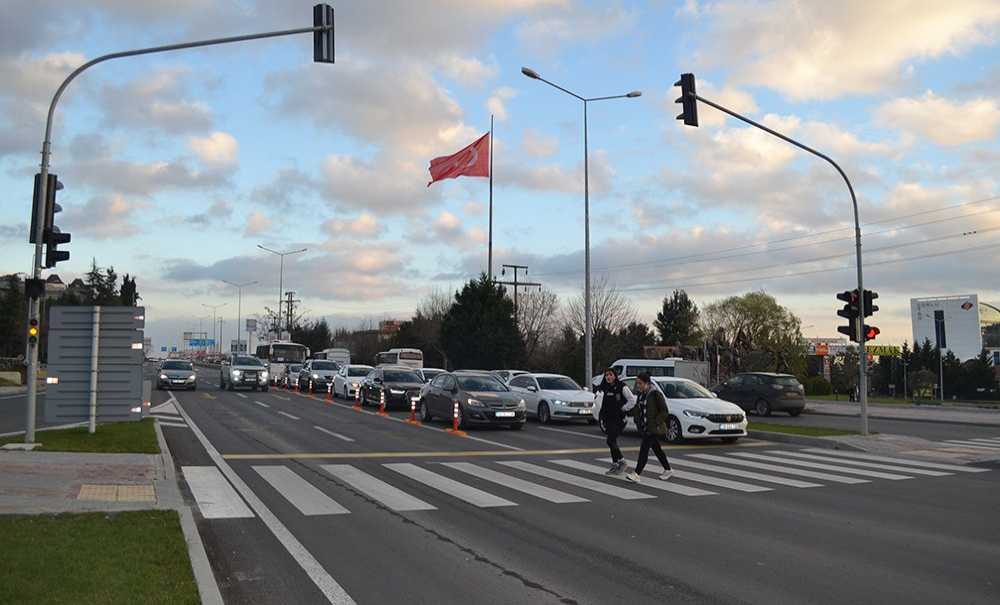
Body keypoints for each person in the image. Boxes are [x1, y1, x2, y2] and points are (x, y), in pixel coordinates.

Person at [625, 372, 673, 483]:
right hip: (646, 427)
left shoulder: (655, 394)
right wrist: (635, 418)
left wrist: (656, 422)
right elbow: (638, 409)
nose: (638, 386)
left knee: (644, 450)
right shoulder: (642, 394)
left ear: (647, 383)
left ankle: (637, 473)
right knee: (657, 449)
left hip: (653, 428)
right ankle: (668, 469)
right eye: (637, 383)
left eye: (640, 383)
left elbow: (664, 411)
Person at [596, 368, 636, 475]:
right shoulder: (605, 387)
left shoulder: (621, 387)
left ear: (615, 376)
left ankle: (622, 461)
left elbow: (632, 400)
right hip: (608, 418)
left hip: (618, 419)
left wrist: (623, 408)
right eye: (606, 375)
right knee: (611, 441)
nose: (608, 377)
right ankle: (615, 465)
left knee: (610, 440)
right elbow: (603, 403)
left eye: (610, 375)